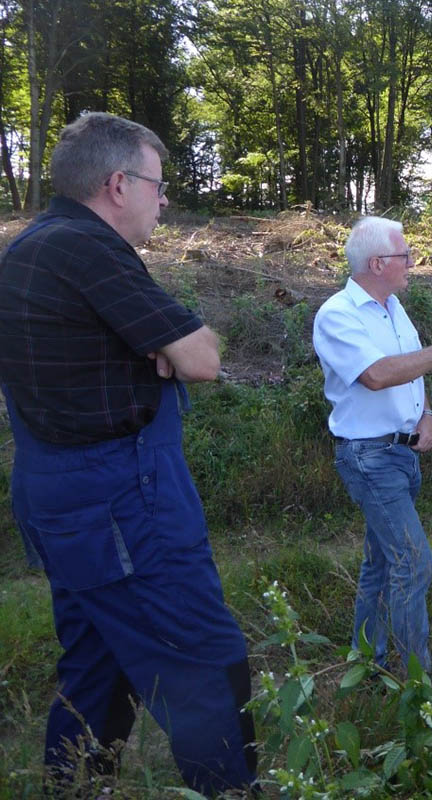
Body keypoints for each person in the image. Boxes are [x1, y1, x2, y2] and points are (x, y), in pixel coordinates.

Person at [0, 113, 256, 795]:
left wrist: (160, 349)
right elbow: (201, 357)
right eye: (157, 185)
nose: (163, 199)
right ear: (118, 184)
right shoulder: (86, 249)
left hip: (61, 492)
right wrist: (165, 352)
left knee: (99, 664)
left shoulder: (30, 248)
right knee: (206, 663)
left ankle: (78, 788)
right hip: (120, 503)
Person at [312, 216, 432, 676]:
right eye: (405, 255)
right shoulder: (337, 315)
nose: (413, 262)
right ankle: (416, 682)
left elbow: (409, 365)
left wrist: (427, 413)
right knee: (413, 561)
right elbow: (376, 375)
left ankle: (366, 662)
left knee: (379, 565)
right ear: (377, 262)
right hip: (369, 458)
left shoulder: (392, 306)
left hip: (401, 454)